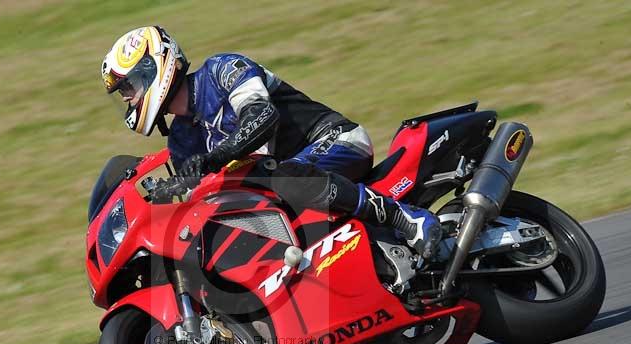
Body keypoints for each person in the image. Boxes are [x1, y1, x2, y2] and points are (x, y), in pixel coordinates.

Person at [101, 26, 441, 259]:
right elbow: (207, 196)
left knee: (283, 177)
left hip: (334, 140)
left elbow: (262, 118)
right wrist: (172, 195)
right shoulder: (181, 139)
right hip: (283, 186)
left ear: (152, 69)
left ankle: (404, 218)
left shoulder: (222, 70)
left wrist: (213, 159)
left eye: (128, 88)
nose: (129, 100)